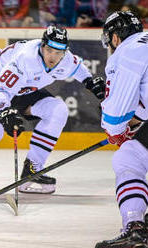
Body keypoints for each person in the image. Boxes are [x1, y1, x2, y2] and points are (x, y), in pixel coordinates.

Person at [0, 25, 106, 198]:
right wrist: (5, 112)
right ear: (42, 46)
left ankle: (32, 170)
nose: (53, 56)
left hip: (21, 88)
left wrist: (90, 82)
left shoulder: (67, 59)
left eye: (58, 52)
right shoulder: (25, 59)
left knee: (57, 109)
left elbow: (79, 69)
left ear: (65, 51)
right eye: (49, 50)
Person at [95, 11, 148, 248]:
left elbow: (119, 105)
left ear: (115, 37)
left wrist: (115, 129)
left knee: (128, 158)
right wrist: (135, 122)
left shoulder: (127, 51)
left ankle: (134, 226)